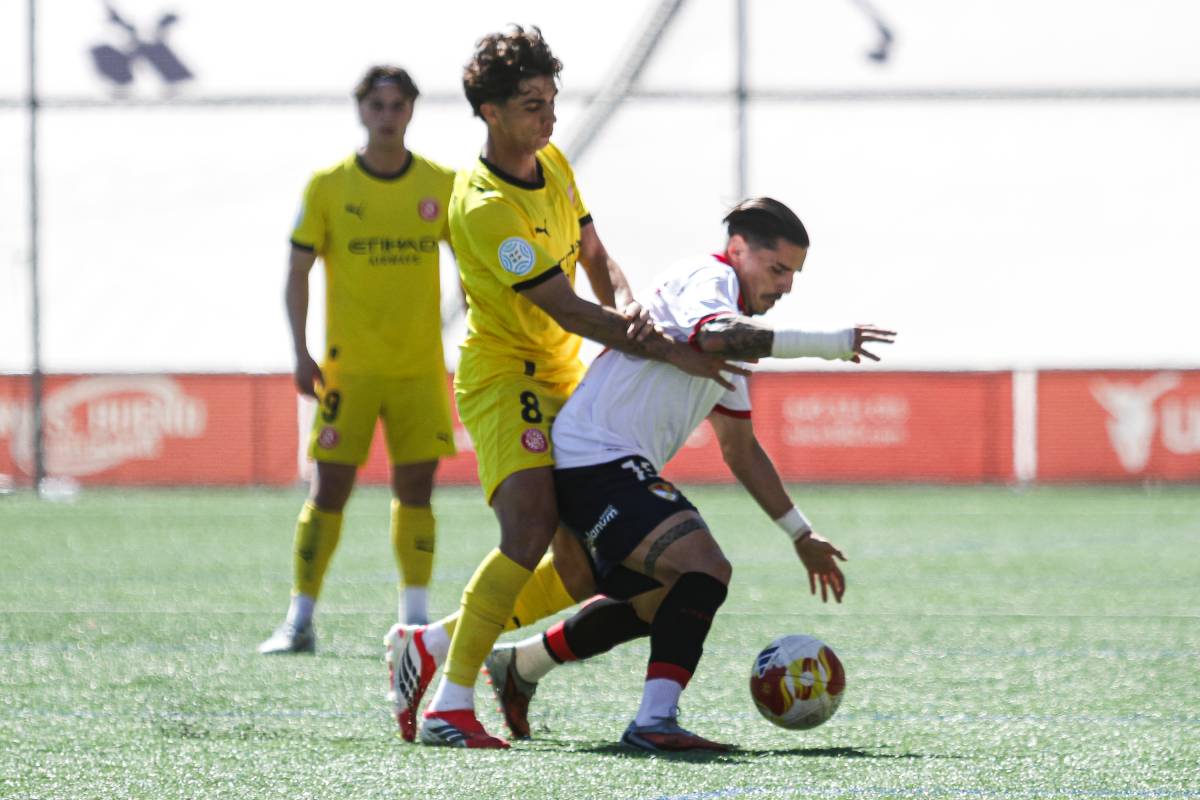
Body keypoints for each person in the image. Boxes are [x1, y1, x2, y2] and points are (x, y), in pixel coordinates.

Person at [385, 25, 746, 748]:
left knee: (581, 576)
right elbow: (569, 308)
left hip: (563, 378)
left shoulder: (552, 163)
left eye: (551, 101)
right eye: (530, 104)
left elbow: (595, 257)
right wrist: (667, 349)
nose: (547, 118)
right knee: (524, 530)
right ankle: (449, 709)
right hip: (503, 378)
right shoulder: (484, 206)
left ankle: (427, 647)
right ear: (488, 112)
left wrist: (633, 301)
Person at [422, 197, 892, 751]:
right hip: (595, 458)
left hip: (607, 463)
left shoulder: (732, 316)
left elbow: (740, 449)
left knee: (664, 596)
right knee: (704, 566)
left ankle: (521, 665)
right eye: (778, 269)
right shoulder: (708, 279)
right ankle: (653, 723)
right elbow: (715, 336)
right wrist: (831, 344)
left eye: (794, 274)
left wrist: (800, 533)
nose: (786, 285)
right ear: (737, 250)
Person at [258, 66, 458, 655]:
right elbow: (297, 270)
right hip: (349, 369)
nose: (388, 114)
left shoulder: (441, 184)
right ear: (362, 109)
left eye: (398, 104)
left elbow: (473, 269)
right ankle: (299, 620)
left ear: (412, 111)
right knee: (328, 490)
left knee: (417, 491)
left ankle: (414, 622)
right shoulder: (329, 186)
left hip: (420, 368)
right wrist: (300, 350)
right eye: (378, 104)